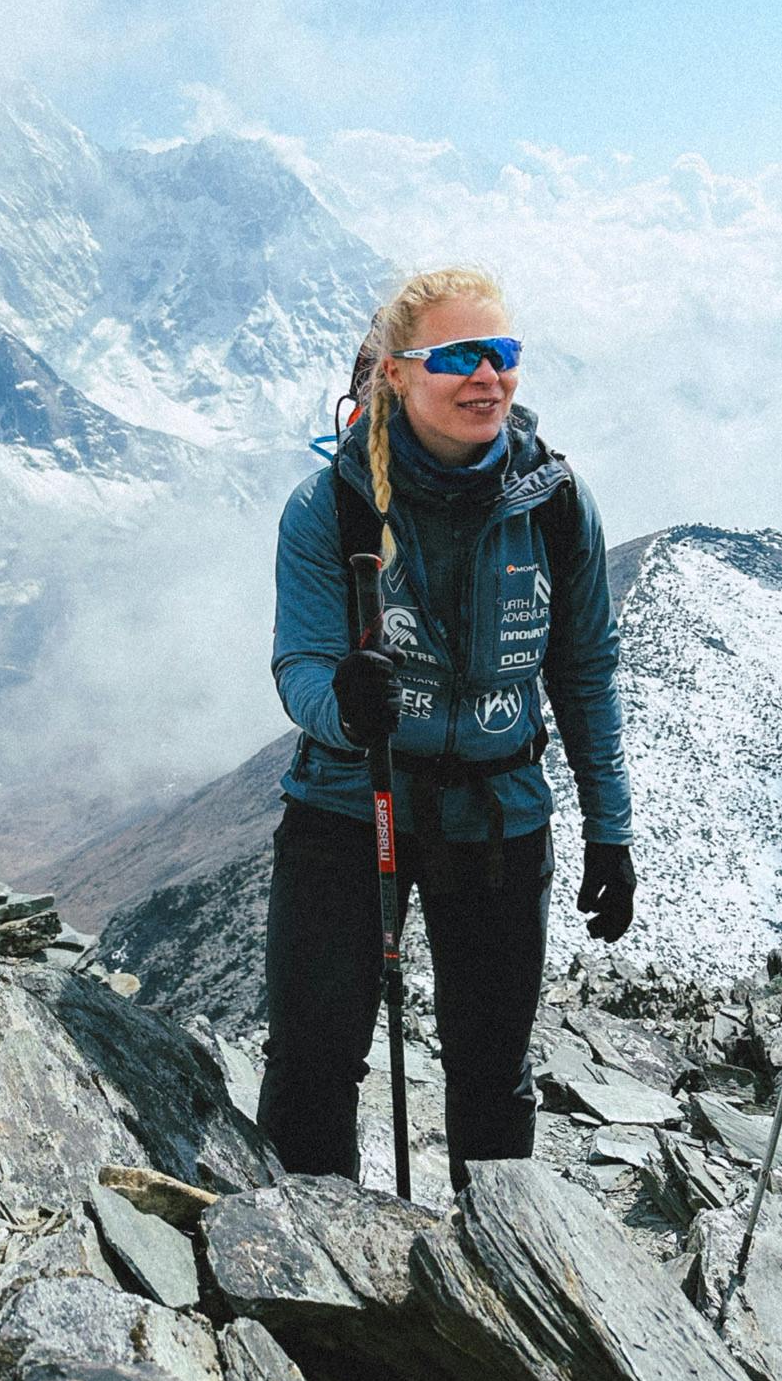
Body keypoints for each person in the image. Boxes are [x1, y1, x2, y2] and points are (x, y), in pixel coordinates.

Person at [256, 265, 635, 1193]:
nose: (487, 379)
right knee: (311, 1064)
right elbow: (298, 664)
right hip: (351, 804)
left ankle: (496, 1292)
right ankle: (312, 1291)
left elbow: (583, 671)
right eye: (458, 357)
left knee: (491, 1080)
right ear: (395, 375)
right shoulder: (332, 504)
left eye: (500, 355)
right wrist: (344, 705)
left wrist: (609, 828)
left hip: (499, 818)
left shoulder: (551, 501)